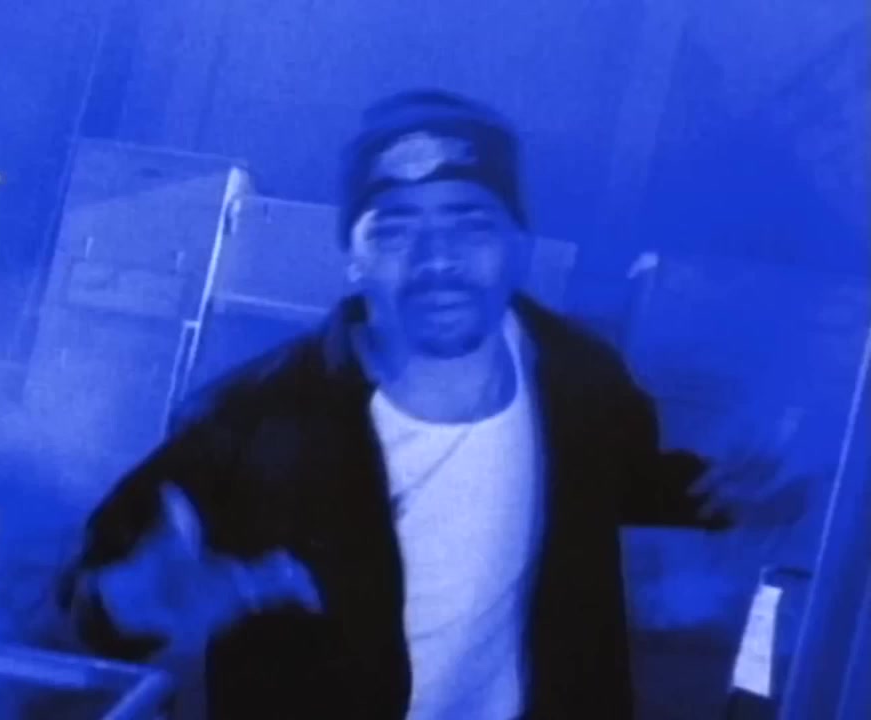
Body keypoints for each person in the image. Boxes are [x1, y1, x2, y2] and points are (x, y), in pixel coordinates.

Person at [54, 90, 806, 719]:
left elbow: (621, 481)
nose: (437, 260)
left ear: (518, 245)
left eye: (469, 223)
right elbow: (86, 600)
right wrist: (132, 604)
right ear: (353, 258)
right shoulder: (243, 422)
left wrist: (727, 497)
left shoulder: (579, 378)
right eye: (395, 229)